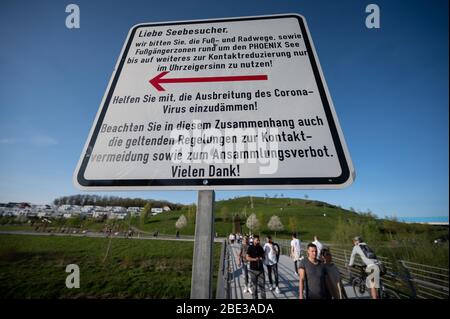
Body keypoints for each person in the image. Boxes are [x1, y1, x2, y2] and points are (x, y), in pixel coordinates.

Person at [246, 235, 266, 299]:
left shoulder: (260, 247)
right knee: (254, 288)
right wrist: (255, 259)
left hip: (261, 270)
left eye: (259, 240)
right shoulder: (250, 247)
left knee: (262, 287)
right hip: (253, 270)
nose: (258, 241)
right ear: (254, 240)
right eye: (257, 240)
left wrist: (262, 258)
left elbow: (264, 256)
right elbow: (247, 257)